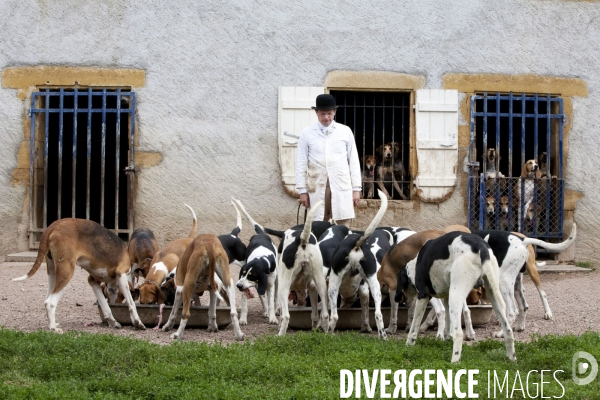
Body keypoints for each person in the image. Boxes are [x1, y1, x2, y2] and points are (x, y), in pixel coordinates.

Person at [295, 94, 361, 225]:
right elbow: (301, 162)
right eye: (323, 113)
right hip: (317, 183)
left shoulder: (345, 131)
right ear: (316, 113)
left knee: (342, 223)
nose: (326, 117)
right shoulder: (307, 133)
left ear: (335, 112)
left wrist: (356, 189)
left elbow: (353, 160)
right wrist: (302, 190)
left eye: (329, 113)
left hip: (340, 183)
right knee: (318, 222)